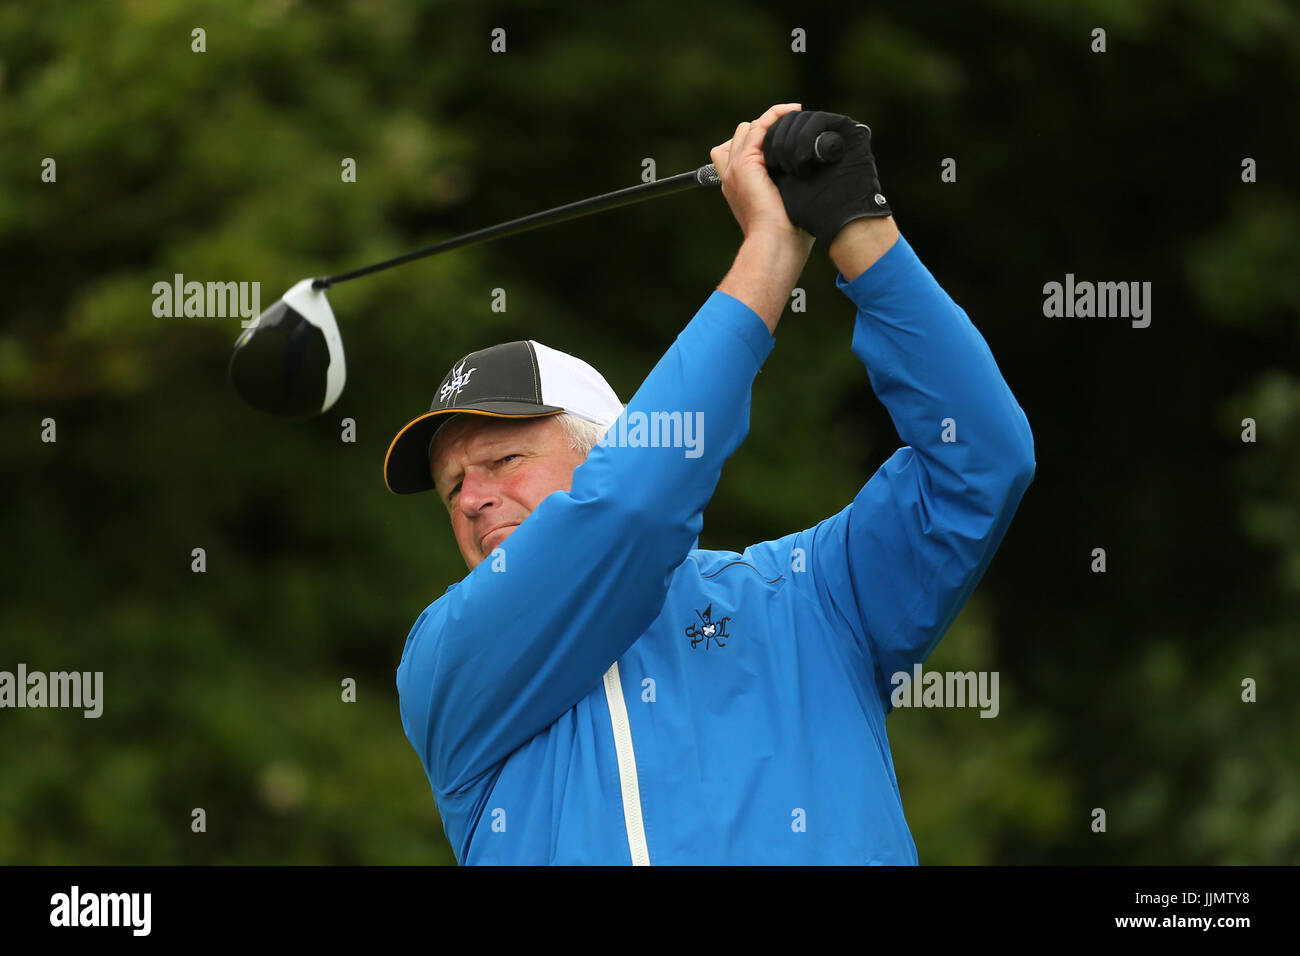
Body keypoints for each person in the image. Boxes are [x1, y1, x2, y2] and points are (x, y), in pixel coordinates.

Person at [384, 103, 1035, 864]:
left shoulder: (807, 596)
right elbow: (632, 512)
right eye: (452, 484)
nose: (469, 498)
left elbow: (981, 457)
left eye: (502, 461)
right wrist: (769, 251)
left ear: (610, 449)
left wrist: (859, 228)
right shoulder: (448, 660)